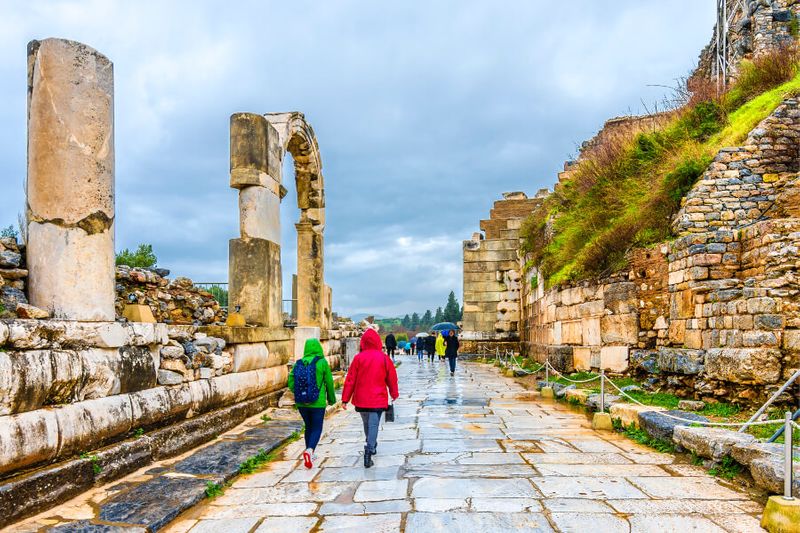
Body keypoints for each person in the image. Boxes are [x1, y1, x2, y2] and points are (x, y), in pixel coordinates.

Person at [341, 328, 399, 468]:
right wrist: (394, 393)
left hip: (361, 399)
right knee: (373, 424)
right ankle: (369, 449)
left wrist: (345, 399)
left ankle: (370, 442)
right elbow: (391, 378)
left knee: (367, 423)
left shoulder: (358, 358)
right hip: (378, 398)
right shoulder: (384, 358)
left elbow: (350, 380)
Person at [288, 338, 337, 469]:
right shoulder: (322, 363)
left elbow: (291, 382)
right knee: (317, 427)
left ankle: (309, 452)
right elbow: (329, 383)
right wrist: (331, 399)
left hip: (302, 403)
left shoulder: (298, 363)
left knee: (308, 426)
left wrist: (299, 392)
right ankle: (310, 450)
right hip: (317, 402)